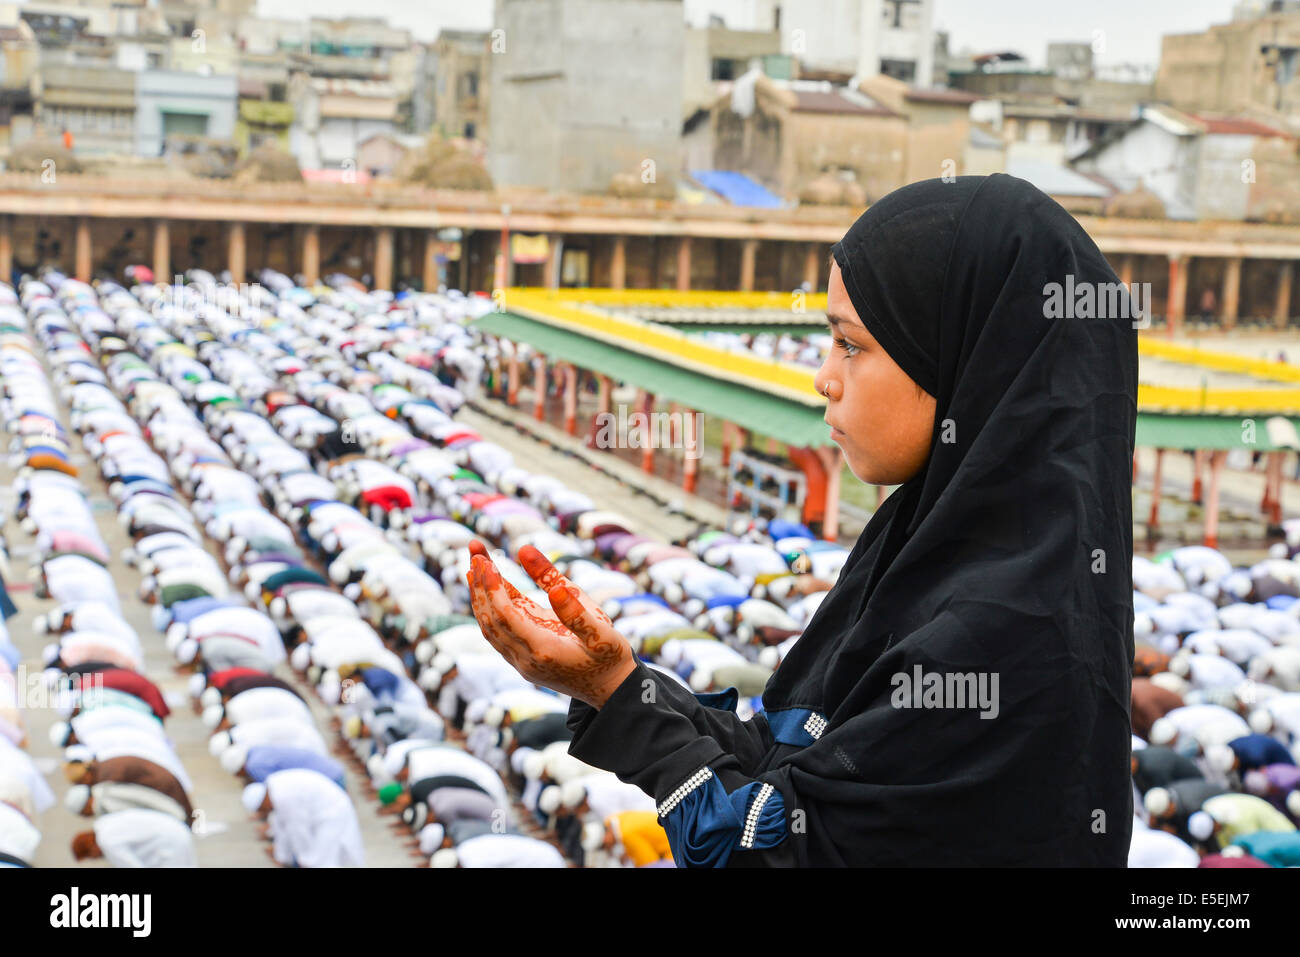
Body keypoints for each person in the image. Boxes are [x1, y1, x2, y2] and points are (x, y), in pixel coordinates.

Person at [465, 174, 1137, 866]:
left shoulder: (1008, 630)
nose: (824, 375)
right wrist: (620, 683)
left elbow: (774, 848)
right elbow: (794, 766)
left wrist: (620, 699)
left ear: (963, 355)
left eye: (851, 343)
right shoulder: (922, 548)